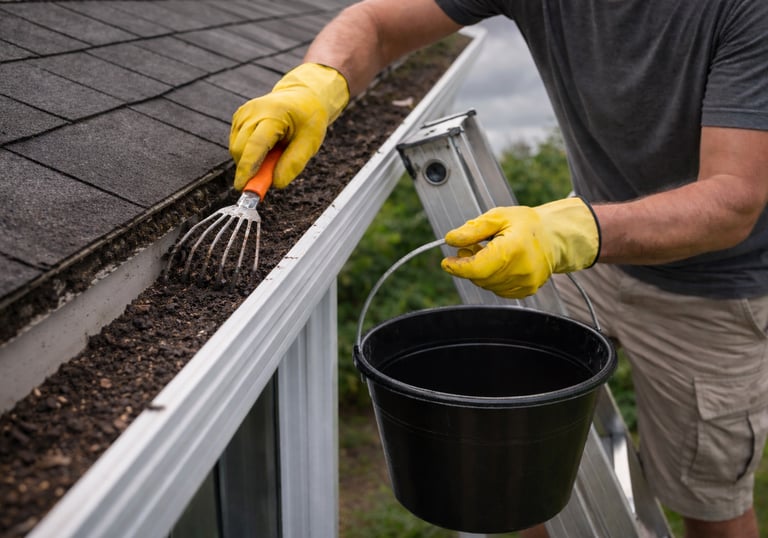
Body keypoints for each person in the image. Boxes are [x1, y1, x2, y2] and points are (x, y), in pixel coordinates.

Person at [229, 1, 768, 536]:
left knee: (710, 502)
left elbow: (733, 201)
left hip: (713, 293)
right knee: (504, 460)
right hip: (594, 257)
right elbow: (376, 24)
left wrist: (568, 233)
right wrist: (316, 84)